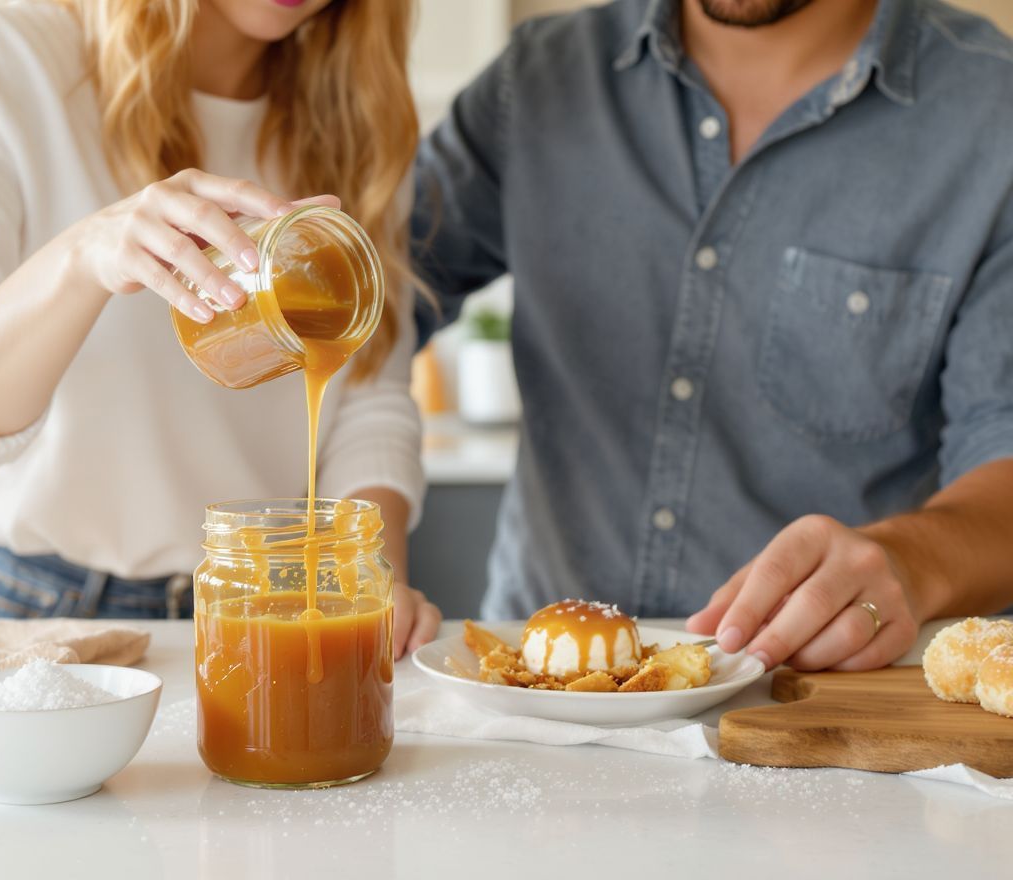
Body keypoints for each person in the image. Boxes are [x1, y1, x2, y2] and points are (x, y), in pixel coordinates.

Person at [412, 0, 1013, 670]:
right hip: (536, 698)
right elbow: (362, 300)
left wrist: (911, 560)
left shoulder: (993, 114)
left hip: (812, 702)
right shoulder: (535, 81)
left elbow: (1004, 443)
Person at [0, 0, 441, 657]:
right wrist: (82, 260)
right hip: (36, 613)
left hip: (262, 606)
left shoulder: (356, 115)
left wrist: (368, 571)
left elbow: (369, 393)